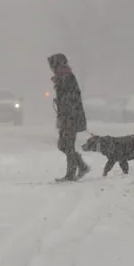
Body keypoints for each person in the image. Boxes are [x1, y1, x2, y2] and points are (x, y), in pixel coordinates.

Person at [49, 53, 90, 182]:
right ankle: (81, 166)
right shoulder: (62, 77)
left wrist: (64, 105)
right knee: (64, 145)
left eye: (53, 66)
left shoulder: (67, 77)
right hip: (67, 117)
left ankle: (72, 173)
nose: (52, 69)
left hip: (71, 118)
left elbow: (72, 97)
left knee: (67, 145)